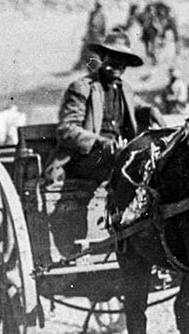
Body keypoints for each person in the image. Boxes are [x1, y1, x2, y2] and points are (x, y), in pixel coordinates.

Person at [53, 40, 144, 252]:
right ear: (103, 60)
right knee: (124, 165)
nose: (117, 68)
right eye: (112, 61)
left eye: (122, 64)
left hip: (118, 157)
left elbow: (136, 109)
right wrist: (100, 142)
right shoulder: (82, 88)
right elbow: (67, 130)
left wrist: (149, 111)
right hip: (84, 159)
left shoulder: (125, 90)